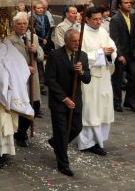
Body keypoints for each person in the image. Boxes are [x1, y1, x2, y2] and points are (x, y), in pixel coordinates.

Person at [0, 11, 33, 169]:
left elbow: (15, 61)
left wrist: (24, 68)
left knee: (6, 124)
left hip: (6, 90)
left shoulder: (4, 42)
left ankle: (3, 152)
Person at [45, 29, 90, 177]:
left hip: (75, 99)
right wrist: (64, 99)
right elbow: (50, 80)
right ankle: (63, 164)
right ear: (66, 41)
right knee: (62, 132)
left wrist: (82, 72)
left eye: (79, 41)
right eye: (73, 41)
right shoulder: (55, 56)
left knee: (76, 128)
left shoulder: (82, 56)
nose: (77, 43)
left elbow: (87, 79)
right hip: (59, 101)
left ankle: (57, 143)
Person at [78, 7, 116, 155]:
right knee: (90, 109)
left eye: (100, 19)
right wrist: (100, 53)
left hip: (104, 77)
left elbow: (113, 47)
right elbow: (81, 56)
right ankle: (87, 143)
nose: (99, 21)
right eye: (95, 19)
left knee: (103, 108)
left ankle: (99, 140)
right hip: (90, 78)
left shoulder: (103, 31)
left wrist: (110, 53)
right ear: (87, 19)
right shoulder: (82, 34)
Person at [8, 12, 44, 147]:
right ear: (14, 25)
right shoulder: (10, 39)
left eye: (24, 23)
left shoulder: (33, 37)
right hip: (19, 78)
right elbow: (9, 59)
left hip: (32, 78)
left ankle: (22, 131)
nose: (22, 26)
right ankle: (19, 133)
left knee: (34, 105)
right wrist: (24, 68)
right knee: (21, 105)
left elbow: (40, 57)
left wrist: (36, 51)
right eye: (19, 24)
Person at [110, 0, 135, 112]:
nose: (129, 4)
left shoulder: (132, 17)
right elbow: (114, 39)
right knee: (117, 79)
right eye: (126, 3)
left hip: (131, 53)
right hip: (121, 53)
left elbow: (133, 36)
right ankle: (116, 103)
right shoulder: (115, 19)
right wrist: (119, 54)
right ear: (119, 5)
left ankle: (130, 101)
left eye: (130, 3)